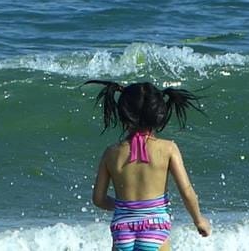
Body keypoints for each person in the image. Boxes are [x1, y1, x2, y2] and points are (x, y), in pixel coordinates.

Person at [86, 80, 211, 251]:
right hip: (155, 229)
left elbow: (98, 199)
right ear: (159, 113)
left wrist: (128, 207)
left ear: (123, 113)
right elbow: (187, 191)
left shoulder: (111, 153)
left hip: (122, 229)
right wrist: (198, 220)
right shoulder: (168, 149)